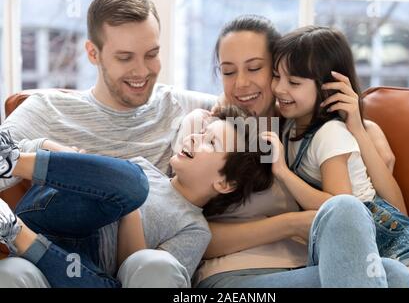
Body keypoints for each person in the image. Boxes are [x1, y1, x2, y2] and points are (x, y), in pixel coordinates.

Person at [0, 0, 217, 288]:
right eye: (125, 57)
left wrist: (206, 118)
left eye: (152, 54)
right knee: (9, 274)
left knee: (154, 263)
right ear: (93, 53)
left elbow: (253, 116)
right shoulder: (46, 109)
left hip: (99, 271)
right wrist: (41, 148)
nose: (142, 71)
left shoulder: (180, 106)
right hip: (51, 236)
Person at [193, 15, 409, 288]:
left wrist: (363, 128)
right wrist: (292, 224)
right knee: (347, 213)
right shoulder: (207, 130)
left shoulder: (293, 128)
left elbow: (397, 212)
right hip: (237, 274)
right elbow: (187, 232)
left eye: (255, 68)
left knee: (396, 274)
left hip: (313, 267)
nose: (240, 84)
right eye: (228, 72)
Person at [0, 106, 274, 287]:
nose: (193, 138)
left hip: (69, 265)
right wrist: (53, 149)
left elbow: (138, 269)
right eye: (201, 132)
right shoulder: (141, 170)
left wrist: (129, 209)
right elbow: (85, 179)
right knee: (133, 181)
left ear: (225, 183)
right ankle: (13, 161)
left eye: (210, 142)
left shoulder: (194, 229)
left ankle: (14, 231)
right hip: (60, 213)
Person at [262, 25, 409, 287]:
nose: (279, 88)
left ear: (329, 88)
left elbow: (338, 205)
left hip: (392, 240)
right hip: (349, 243)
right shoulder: (290, 125)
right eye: (275, 76)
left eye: (293, 82)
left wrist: (281, 172)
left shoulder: (330, 134)